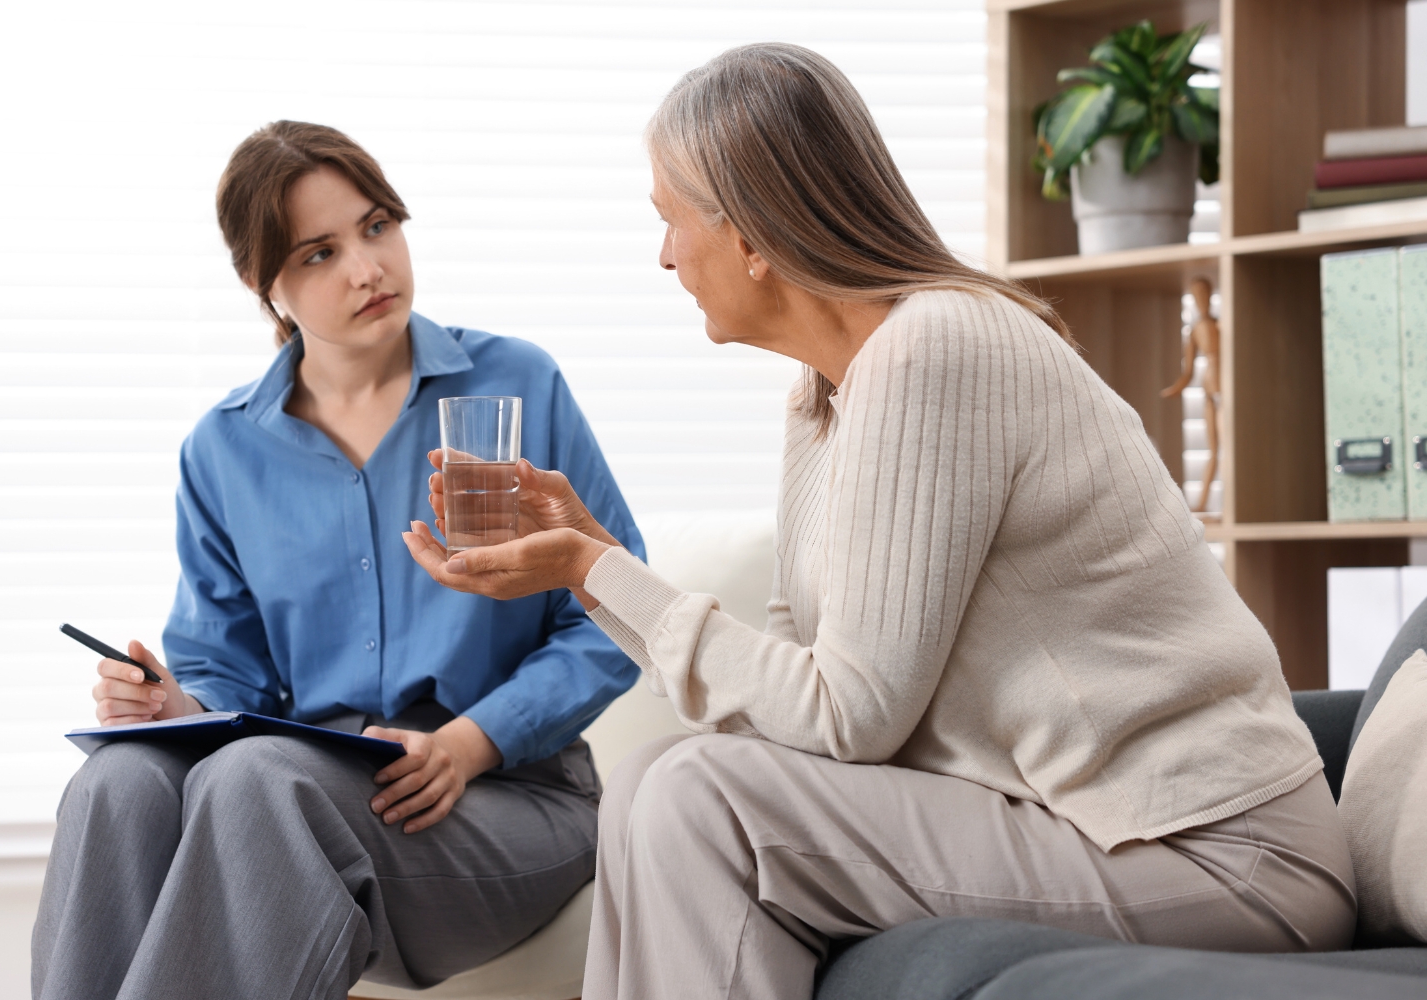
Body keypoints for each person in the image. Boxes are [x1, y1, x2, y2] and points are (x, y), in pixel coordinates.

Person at [403, 44, 1355, 1000]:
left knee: (699, 797)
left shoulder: (934, 350)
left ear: (752, 236)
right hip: (1091, 827)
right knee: (655, 777)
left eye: (671, 220)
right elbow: (794, 685)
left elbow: (849, 718)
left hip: (1215, 852)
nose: (664, 256)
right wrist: (597, 560)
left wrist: (591, 570)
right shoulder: (825, 393)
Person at [31, 121, 644, 1000]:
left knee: (257, 779)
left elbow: (618, 614)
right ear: (265, 286)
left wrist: (471, 742)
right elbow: (227, 675)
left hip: (508, 800)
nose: (368, 268)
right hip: (306, 792)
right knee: (118, 781)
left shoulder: (517, 384)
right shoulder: (223, 449)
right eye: (319, 253)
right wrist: (177, 706)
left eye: (377, 226)